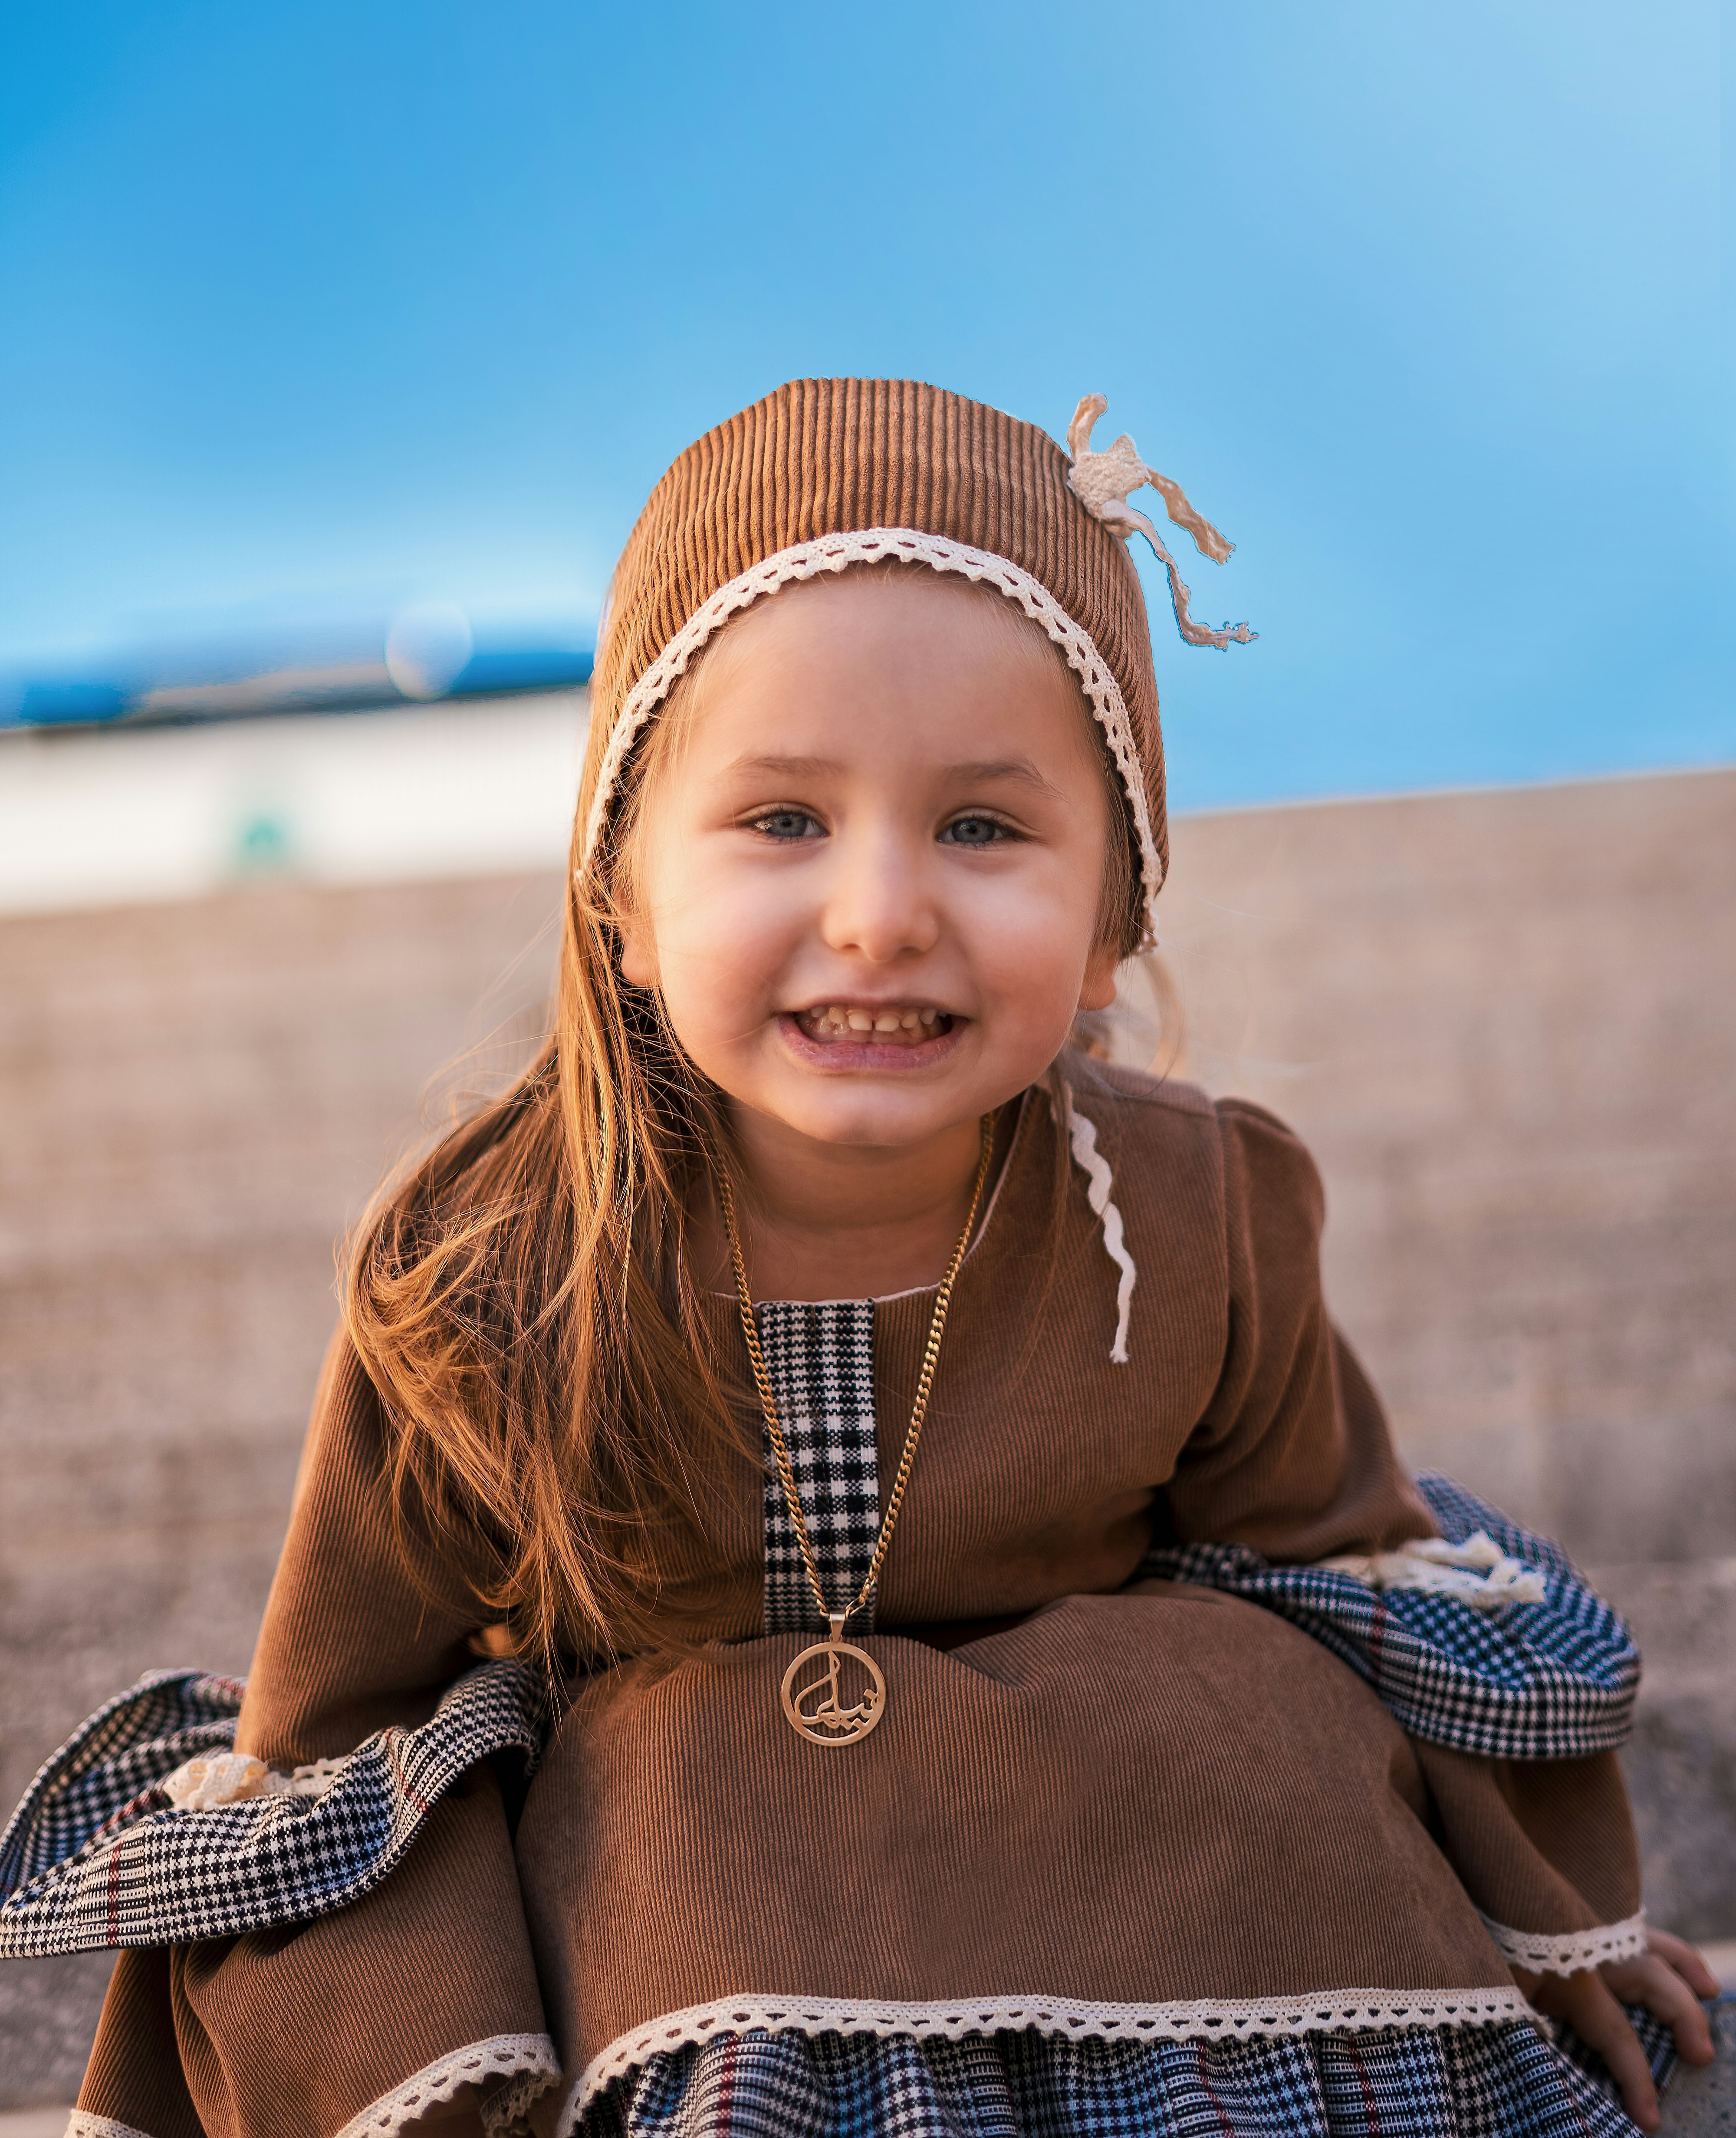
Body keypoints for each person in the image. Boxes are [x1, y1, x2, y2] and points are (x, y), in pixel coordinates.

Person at [0, 378, 1719, 2138]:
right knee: (662, 1782)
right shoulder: (487, 1270)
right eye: (781, 822)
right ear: (624, 900)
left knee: (1261, 1689)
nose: (882, 910)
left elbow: (1346, 1554)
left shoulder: (1194, 1211)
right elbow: (344, 1714)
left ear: (1117, 914)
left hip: (1109, 1814)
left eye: (983, 826)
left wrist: (1535, 1910)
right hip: (691, 1887)